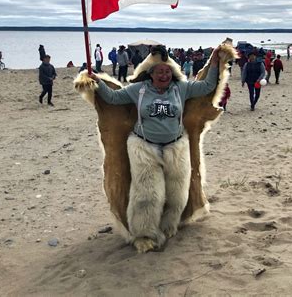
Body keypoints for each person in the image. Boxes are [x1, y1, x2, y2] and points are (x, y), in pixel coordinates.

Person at [87, 45, 222, 253]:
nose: (164, 75)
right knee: (147, 195)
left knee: (177, 194)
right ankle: (144, 235)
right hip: (143, 147)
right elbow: (113, 99)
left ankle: (168, 226)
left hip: (176, 146)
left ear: (173, 73)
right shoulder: (138, 90)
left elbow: (206, 86)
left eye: (167, 71)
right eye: (159, 71)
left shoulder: (181, 88)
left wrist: (214, 63)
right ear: (150, 73)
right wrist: (97, 82)